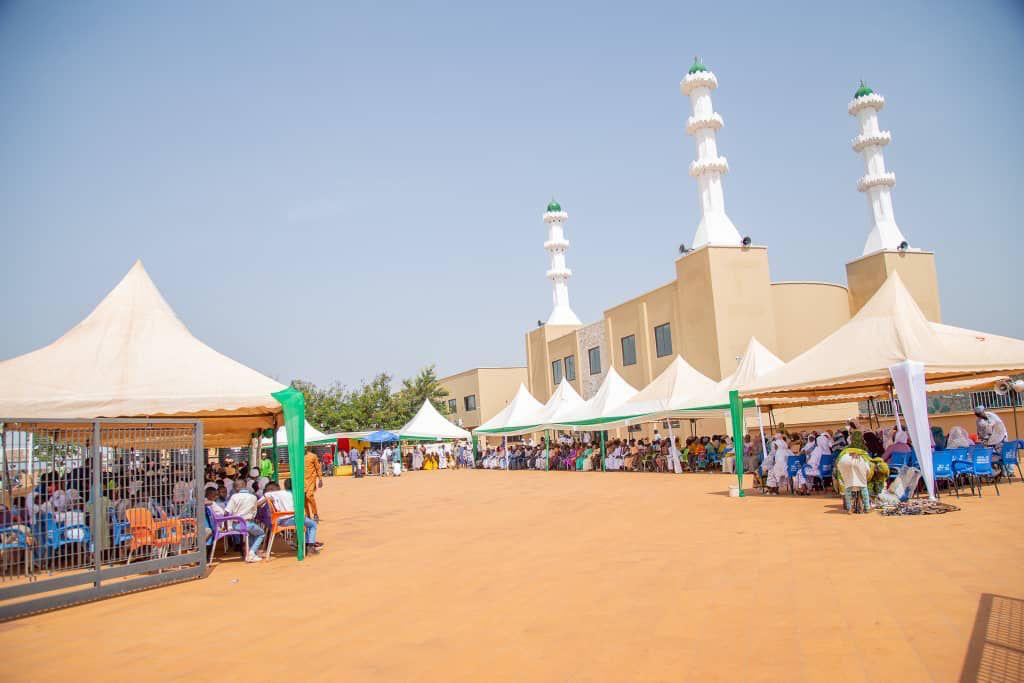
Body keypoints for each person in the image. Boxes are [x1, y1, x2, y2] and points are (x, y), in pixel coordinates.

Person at [261, 480, 324, 555]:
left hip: (281, 520)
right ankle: (310, 546)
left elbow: (266, 494)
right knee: (313, 524)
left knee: (306, 523)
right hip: (293, 519)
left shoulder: (278, 493)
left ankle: (307, 544)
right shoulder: (296, 494)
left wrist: (261, 502)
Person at [225, 482, 265, 562]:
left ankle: (250, 551)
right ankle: (251, 552)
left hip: (236, 525)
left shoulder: (234, 497)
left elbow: (226, 512)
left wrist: (227, 526)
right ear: (245, 486)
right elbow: (254, 513)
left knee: (253, 532)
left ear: (236, 488)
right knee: (261, 534)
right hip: (248, 523)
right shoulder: (253, 497)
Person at [304, 449, 323, 521]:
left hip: (311, 479)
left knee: (309, 496)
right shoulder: (298, 457)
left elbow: (318, 468)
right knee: (304, 499)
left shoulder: (313, 456)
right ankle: (308, 516)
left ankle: (315, 514)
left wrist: (320, 479)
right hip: (302, 481)